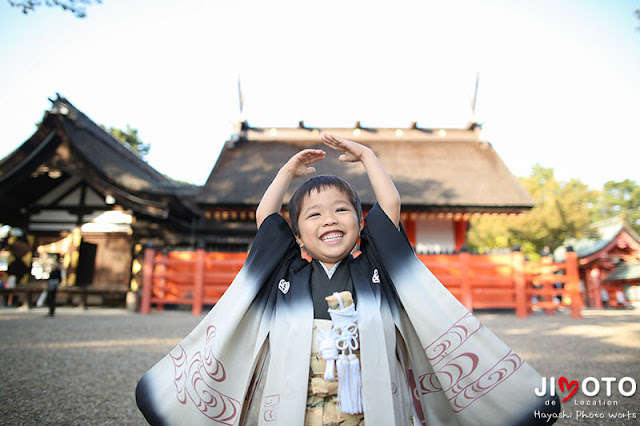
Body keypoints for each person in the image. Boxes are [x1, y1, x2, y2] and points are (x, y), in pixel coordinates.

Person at [136, 134, 560, 425]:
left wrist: (368, 157)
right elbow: (265, 217)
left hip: (370, 401)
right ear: (297, 234)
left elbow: (390, 203)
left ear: (360, 223)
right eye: (314, 215)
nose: (329, 220)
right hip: (299, 400)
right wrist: (286, 172)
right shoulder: (287, 273)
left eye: (341, 211)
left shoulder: (374, 268)